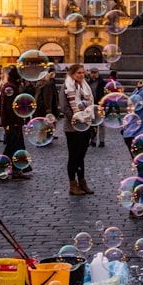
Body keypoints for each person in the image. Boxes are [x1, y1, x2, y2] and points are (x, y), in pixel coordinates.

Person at [63, 64, 95, 196]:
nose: (82, 75)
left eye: (83, 73)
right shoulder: (66, 87)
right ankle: (72, 184)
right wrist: (77, 119)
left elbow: (90, 104)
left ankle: (82, 182)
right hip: (73, 127)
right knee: (73, 156)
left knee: (81, 156)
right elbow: (65, 108)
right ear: (72, 74)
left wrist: (88, 119)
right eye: (78, 73)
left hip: (85, 125)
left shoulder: (85, 87)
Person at [0, 66, 32, 181]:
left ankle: (18, 169)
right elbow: (11, 107)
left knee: (17, 146)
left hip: (14, 121)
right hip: (13, 122)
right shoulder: (11, 88)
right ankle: (0, 170)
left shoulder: (11, 86)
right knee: (11, 147)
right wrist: (16, 120)